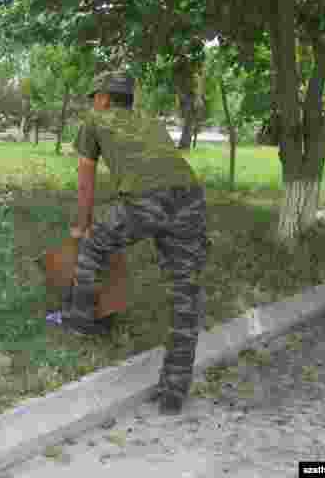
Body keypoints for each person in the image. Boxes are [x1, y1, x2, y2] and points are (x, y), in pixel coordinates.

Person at [61, 70, 209, 415]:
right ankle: (175, 389)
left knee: (93, 246)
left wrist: (81, 226)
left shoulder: (94, 120)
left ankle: (81, 322)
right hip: (190, 198)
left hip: (145, 200)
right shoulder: (151, 121)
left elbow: (86, 182)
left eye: (93, 96)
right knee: (185, 290)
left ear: (102, 97)